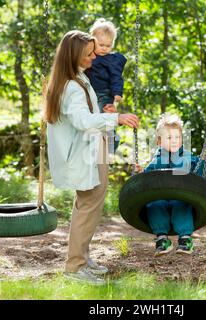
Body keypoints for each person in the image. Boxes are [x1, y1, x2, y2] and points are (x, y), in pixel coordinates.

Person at [44, 30, 139, 285]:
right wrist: (116, 118)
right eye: (89, 54)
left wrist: (107, 110)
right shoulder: (72, 86)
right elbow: (83, 120)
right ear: (75, 55)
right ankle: (75, 267)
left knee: (88, 204)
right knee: (87, 206)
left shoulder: (78, 78)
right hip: (82, 154)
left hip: (91, 149)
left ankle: (82, 258)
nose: (95, 57)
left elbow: (91, 112)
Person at [136, 113, 206, 257]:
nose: (174, 141)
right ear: (159, 142)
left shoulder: (188, 158)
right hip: (161, 199)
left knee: (181, 204)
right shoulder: (156, 161)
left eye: (177, 137)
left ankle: (185, 240)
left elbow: (200, 177)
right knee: (154, 205)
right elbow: (145, 181)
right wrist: (141, 173)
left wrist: (204, 161)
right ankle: (162, 239)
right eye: (169, 138)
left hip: (180, 198)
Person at [85, 18, 127, 152]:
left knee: (102, 118)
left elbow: (116, 77)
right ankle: (91, 144)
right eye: (101, 44)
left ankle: (112, 140)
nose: (104, 48)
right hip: (89, 91)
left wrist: (117, 93)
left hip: (103, 94)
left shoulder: (112, 60)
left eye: (108, 46)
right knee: (90, 119)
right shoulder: (88, 56)